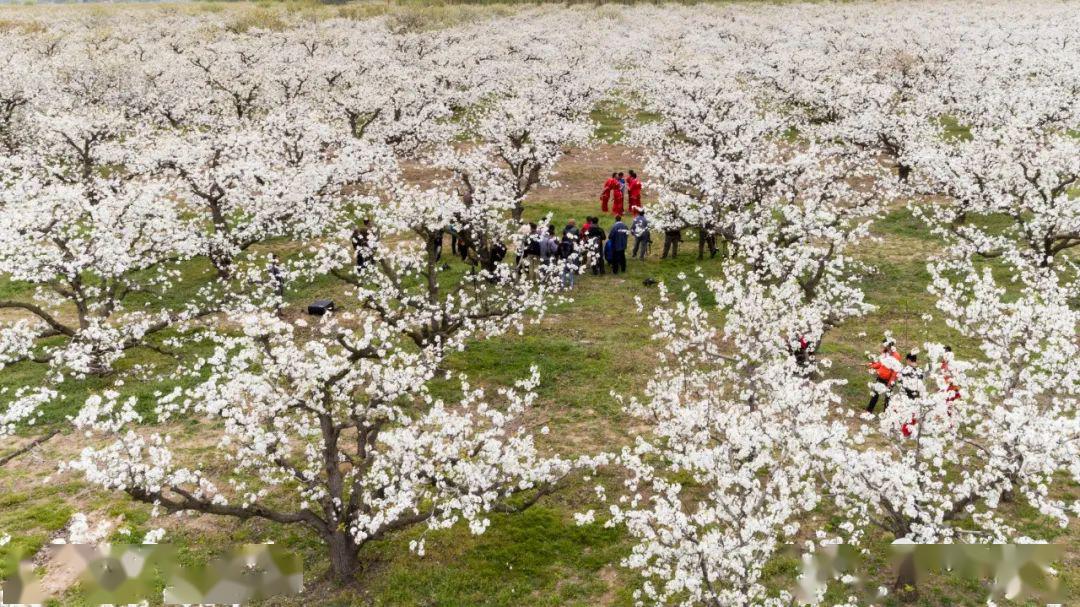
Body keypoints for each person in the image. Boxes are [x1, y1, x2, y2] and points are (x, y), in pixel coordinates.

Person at [866, 337, 902, 413]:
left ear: (889, 344)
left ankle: (886, 414)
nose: (883, 346)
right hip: (881, 377)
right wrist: (871, 365)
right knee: (875, 395)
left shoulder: (896, 355)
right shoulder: (884, 353)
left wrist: (890, 382)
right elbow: (880, 364)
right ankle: (869, 411)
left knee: (887, 398)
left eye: (885, 344)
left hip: (889, 379)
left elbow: (895, 371)